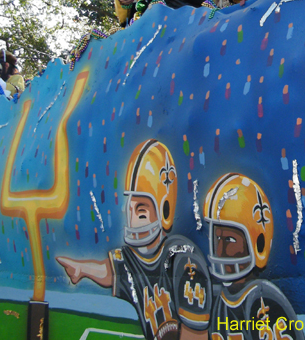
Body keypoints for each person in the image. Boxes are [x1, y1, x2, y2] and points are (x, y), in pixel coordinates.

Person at [57, 139, 211, 340]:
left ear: (164, 209)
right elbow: (112, 271)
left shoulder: (183, 259)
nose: (133, 219)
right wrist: (82, 269)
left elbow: (195, 335)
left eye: (141, 210)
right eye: (131, 207)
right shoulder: (135, 258)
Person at [203, 173, 303, 340]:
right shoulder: (218, 300)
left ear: (259, 243)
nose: (220, 249)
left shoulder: (263, 300)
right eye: (217, 238)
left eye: (229, 239)